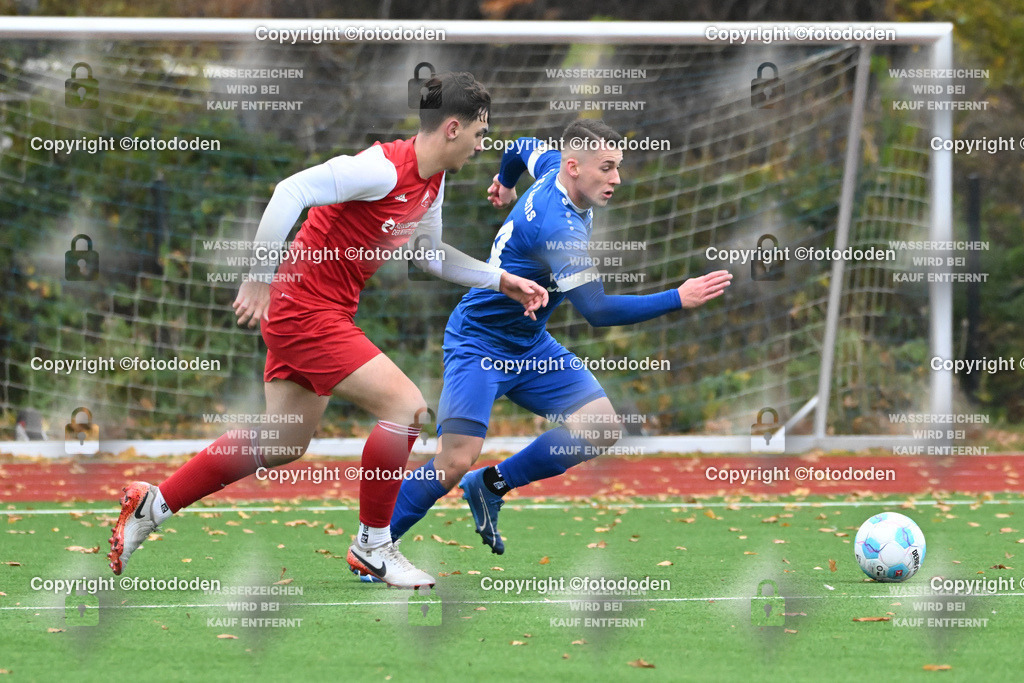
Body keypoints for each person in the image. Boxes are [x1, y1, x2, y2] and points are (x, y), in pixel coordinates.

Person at [107, 72, 549, 588]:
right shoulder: (382, 168)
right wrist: (257, 278)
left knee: (282, 442)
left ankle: (152, 505)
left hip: (323, 311)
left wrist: (501, 280)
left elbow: (427, 256)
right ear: (453, 128)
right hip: (304, 309)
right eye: (480, 134)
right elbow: (289, 190)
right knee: (405, 409)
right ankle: (373, 546)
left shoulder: (433, 182)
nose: (482, 146)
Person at [386, 118, 732, 555]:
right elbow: (597, 310)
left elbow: (519, 146)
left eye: (618, 166)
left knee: (600, 427)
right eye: (606, 167)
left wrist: (505, 183)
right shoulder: (560, 229)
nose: (616, 179)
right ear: (574, 166)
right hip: (479, 342)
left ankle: (492, 484)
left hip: (529, 344)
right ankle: (375, 543)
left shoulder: (551, 166)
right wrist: (677, 297)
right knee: (454, 459)